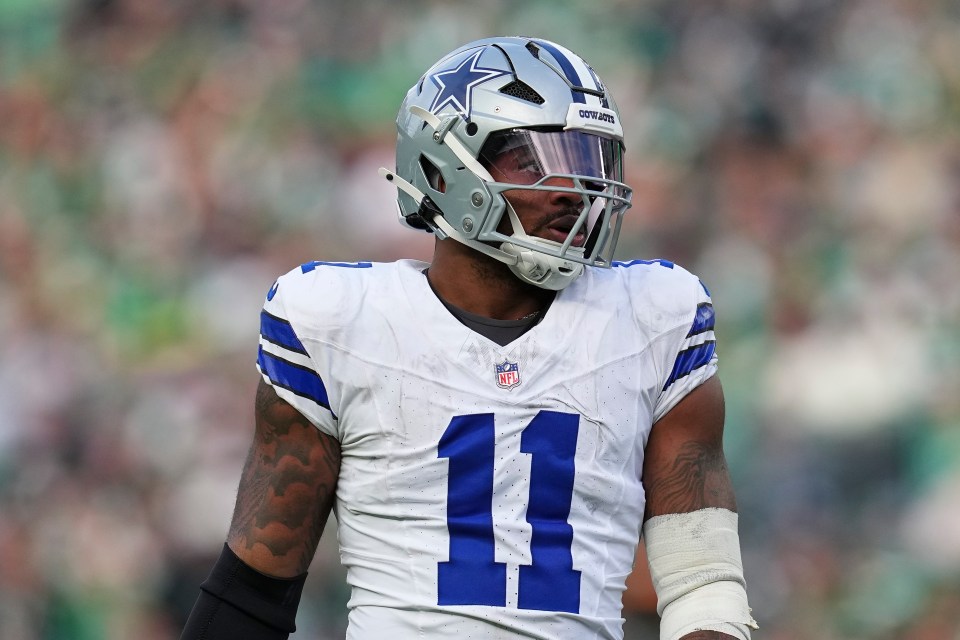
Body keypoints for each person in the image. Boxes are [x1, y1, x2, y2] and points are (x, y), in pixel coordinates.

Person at [181, 36, 758, 640]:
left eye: (588, 158)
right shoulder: (340, 322)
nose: (574, 187)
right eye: (535, 159)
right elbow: (254, 590)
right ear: (443, 168)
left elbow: (703, 587)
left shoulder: (654, 318)